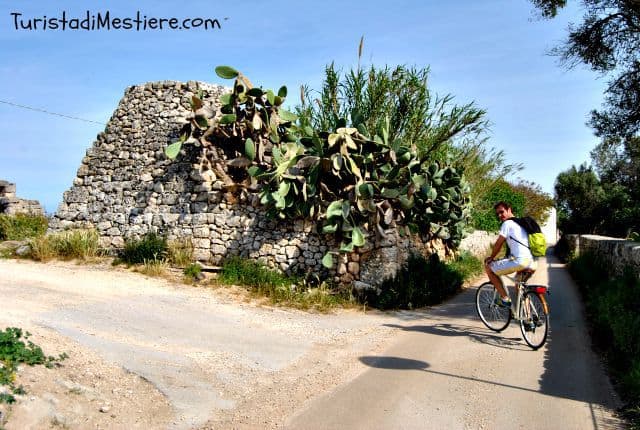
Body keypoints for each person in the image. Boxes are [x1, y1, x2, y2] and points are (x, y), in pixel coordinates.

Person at [483, 201, 537, 307]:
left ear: (509, 209)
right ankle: (528, 318)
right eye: (497, 213)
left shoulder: (507, 224)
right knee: (519, 286)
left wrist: (491, 257)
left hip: (520, 261)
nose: (499, 215)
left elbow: (498, 244)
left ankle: (504, 298)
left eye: (502, 212)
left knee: (489, 268)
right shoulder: (521, 223)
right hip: (531, 262)